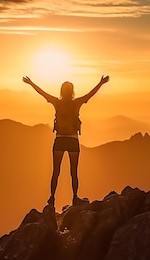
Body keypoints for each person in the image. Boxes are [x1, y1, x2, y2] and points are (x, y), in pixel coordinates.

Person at [23, 75, 110, 207]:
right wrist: (101, 83)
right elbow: (90, 94)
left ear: (62, 91)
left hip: (59, 140)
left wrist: (30, 83)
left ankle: (52, 198)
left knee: (55, 171)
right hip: (73, 140)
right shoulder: (77, 103)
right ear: (72, 91)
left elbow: (42, 93)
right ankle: (75, 197)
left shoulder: (57, 103)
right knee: (73, 172)